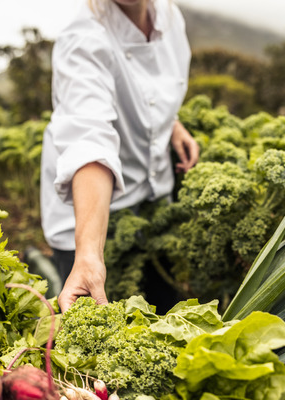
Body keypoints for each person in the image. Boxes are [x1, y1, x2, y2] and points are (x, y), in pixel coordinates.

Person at [40, 0, 199, 313]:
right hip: (88, 211)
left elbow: (152, 89)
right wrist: (88, 255)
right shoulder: (83, 38)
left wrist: (172, 124)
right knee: (104, 337)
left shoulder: (169, 16)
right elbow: (89, 139)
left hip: (150, 196)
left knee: (163, 305)